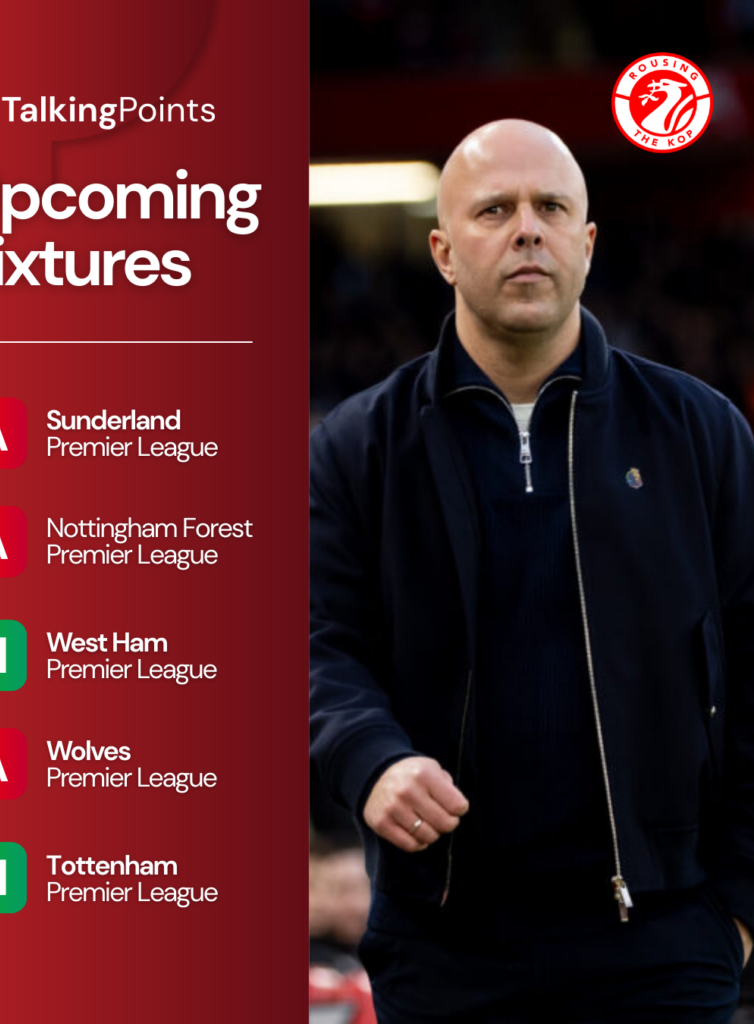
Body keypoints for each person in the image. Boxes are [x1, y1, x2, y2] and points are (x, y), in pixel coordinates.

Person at [309, 119, 754, 1021]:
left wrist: (739, 912)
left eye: (551, 207)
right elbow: (317, 645)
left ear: (587, 245)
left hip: (664, 943)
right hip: (443, 949)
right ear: (440, 250)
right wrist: (372, 759)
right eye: (494, 210)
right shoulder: (359, 445)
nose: (526, 229)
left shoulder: (699, 433)